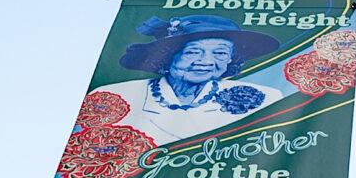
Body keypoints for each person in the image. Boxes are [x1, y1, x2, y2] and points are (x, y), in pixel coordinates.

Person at [86, 14, 288, 145]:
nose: (206, 61)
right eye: (193, 52)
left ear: (230, 59)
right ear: (168, 55)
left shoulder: (264, 99)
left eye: (220, 52)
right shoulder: (114, 97)